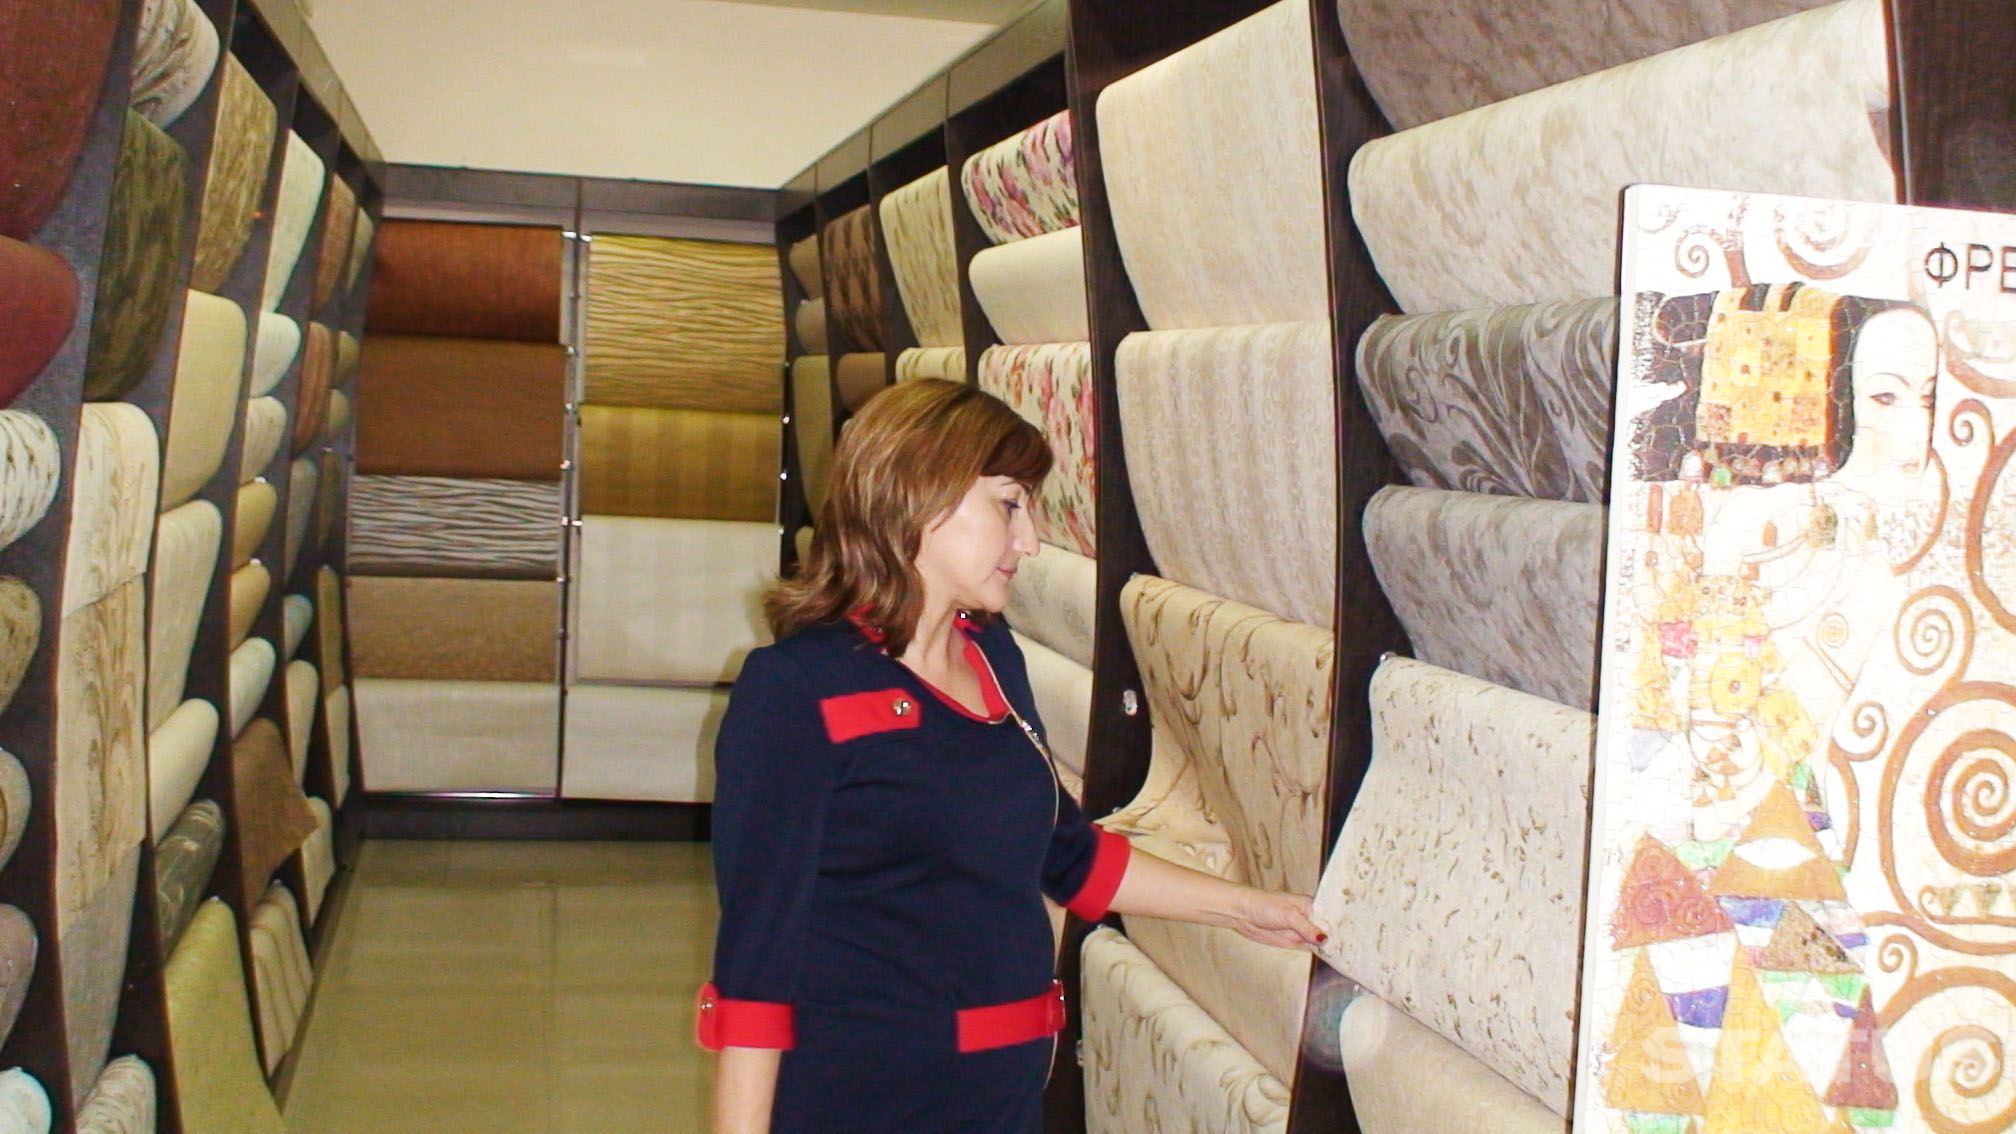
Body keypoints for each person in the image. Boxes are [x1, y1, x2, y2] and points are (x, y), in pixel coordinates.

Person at [700, 380, 1324, 1133]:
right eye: (1009, 505)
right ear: (919, 492)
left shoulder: (992, 656)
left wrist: (1243, 907)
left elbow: (1064, 854)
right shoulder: (798, 690)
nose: (1028, 541)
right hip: (863, 1101)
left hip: (1002, 1100)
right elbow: (756, 968)